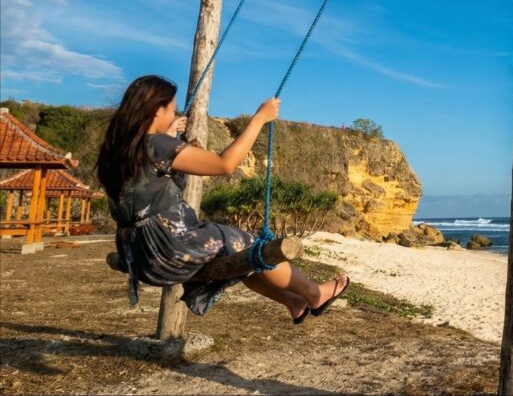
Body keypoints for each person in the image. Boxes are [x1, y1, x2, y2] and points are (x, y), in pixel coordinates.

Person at [96, 74, 348, 323]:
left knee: (233, 253)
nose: (174, 115)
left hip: (137, 253)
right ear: (155, 111)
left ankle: (294, 301)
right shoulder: (157, 146)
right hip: (168, 248)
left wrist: (172, 137)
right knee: (251, 245)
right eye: (171, 110)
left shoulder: (118, 150)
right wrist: (260, 118)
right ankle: (316, 294)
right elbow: (225, 164)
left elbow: (156, 187)